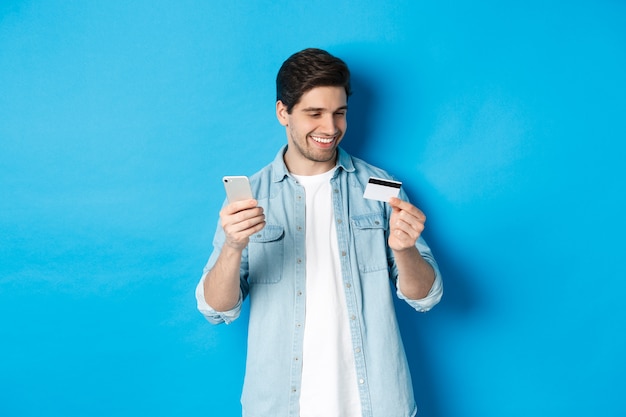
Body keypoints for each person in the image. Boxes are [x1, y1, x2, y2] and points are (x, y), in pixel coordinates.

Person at [196, 48, 443, 417]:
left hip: (376, 403)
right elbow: (215, 309)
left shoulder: (380, 187)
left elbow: (426, 296)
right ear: (284, 113)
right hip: (279, 406)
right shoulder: (252, 196)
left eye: (339, 113)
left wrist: (405, 250)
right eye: (314, 113)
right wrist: (233, 246)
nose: (330, 128)